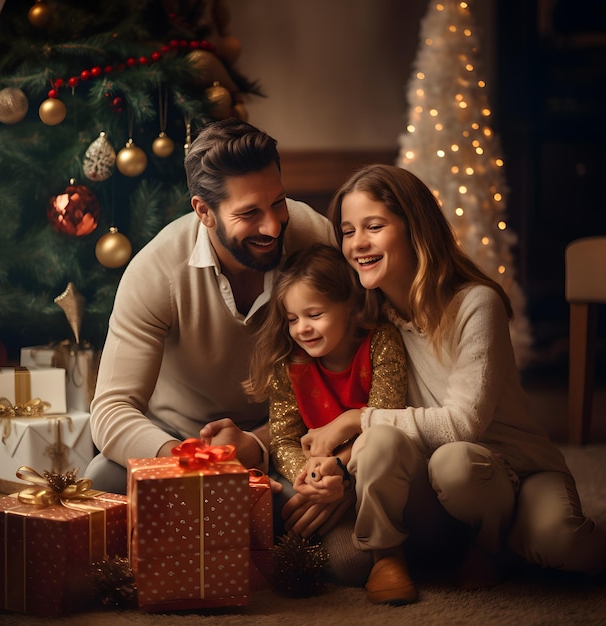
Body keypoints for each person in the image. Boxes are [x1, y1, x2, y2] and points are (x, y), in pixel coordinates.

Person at [292, 164, 606, 606]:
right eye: (346, 231)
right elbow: (320, 390)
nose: (357, 243)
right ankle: (421, 552)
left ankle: (495, 543)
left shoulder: (476, 303)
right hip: (439, 479)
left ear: (415, 228)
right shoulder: (369, 316)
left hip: (520, 466)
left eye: (374, 226)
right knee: (419, 458)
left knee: (564, 546)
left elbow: (465, 423)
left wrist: (354, 420)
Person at [84, 118, 334, 494]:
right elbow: (111, 411)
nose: (272, 226)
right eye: (249, 213)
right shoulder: (156, 271)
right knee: (102, 477)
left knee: (317, 509)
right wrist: (188, 461)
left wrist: (259, 443)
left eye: (278, 202)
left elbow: (351, 375)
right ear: (204, 211)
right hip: (177, 444)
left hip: (287, 443)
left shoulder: (315, 239)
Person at [243, 242, 407, 509]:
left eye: (314, 315)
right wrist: (312, 475)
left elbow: (386, 419)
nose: (302, 329)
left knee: (346, 549)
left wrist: (338, 467)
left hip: (378, 472)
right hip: (323, 474)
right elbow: (283, 439)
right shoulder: (291, 363)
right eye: (292, 319)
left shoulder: (380, 343)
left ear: (351, 306)